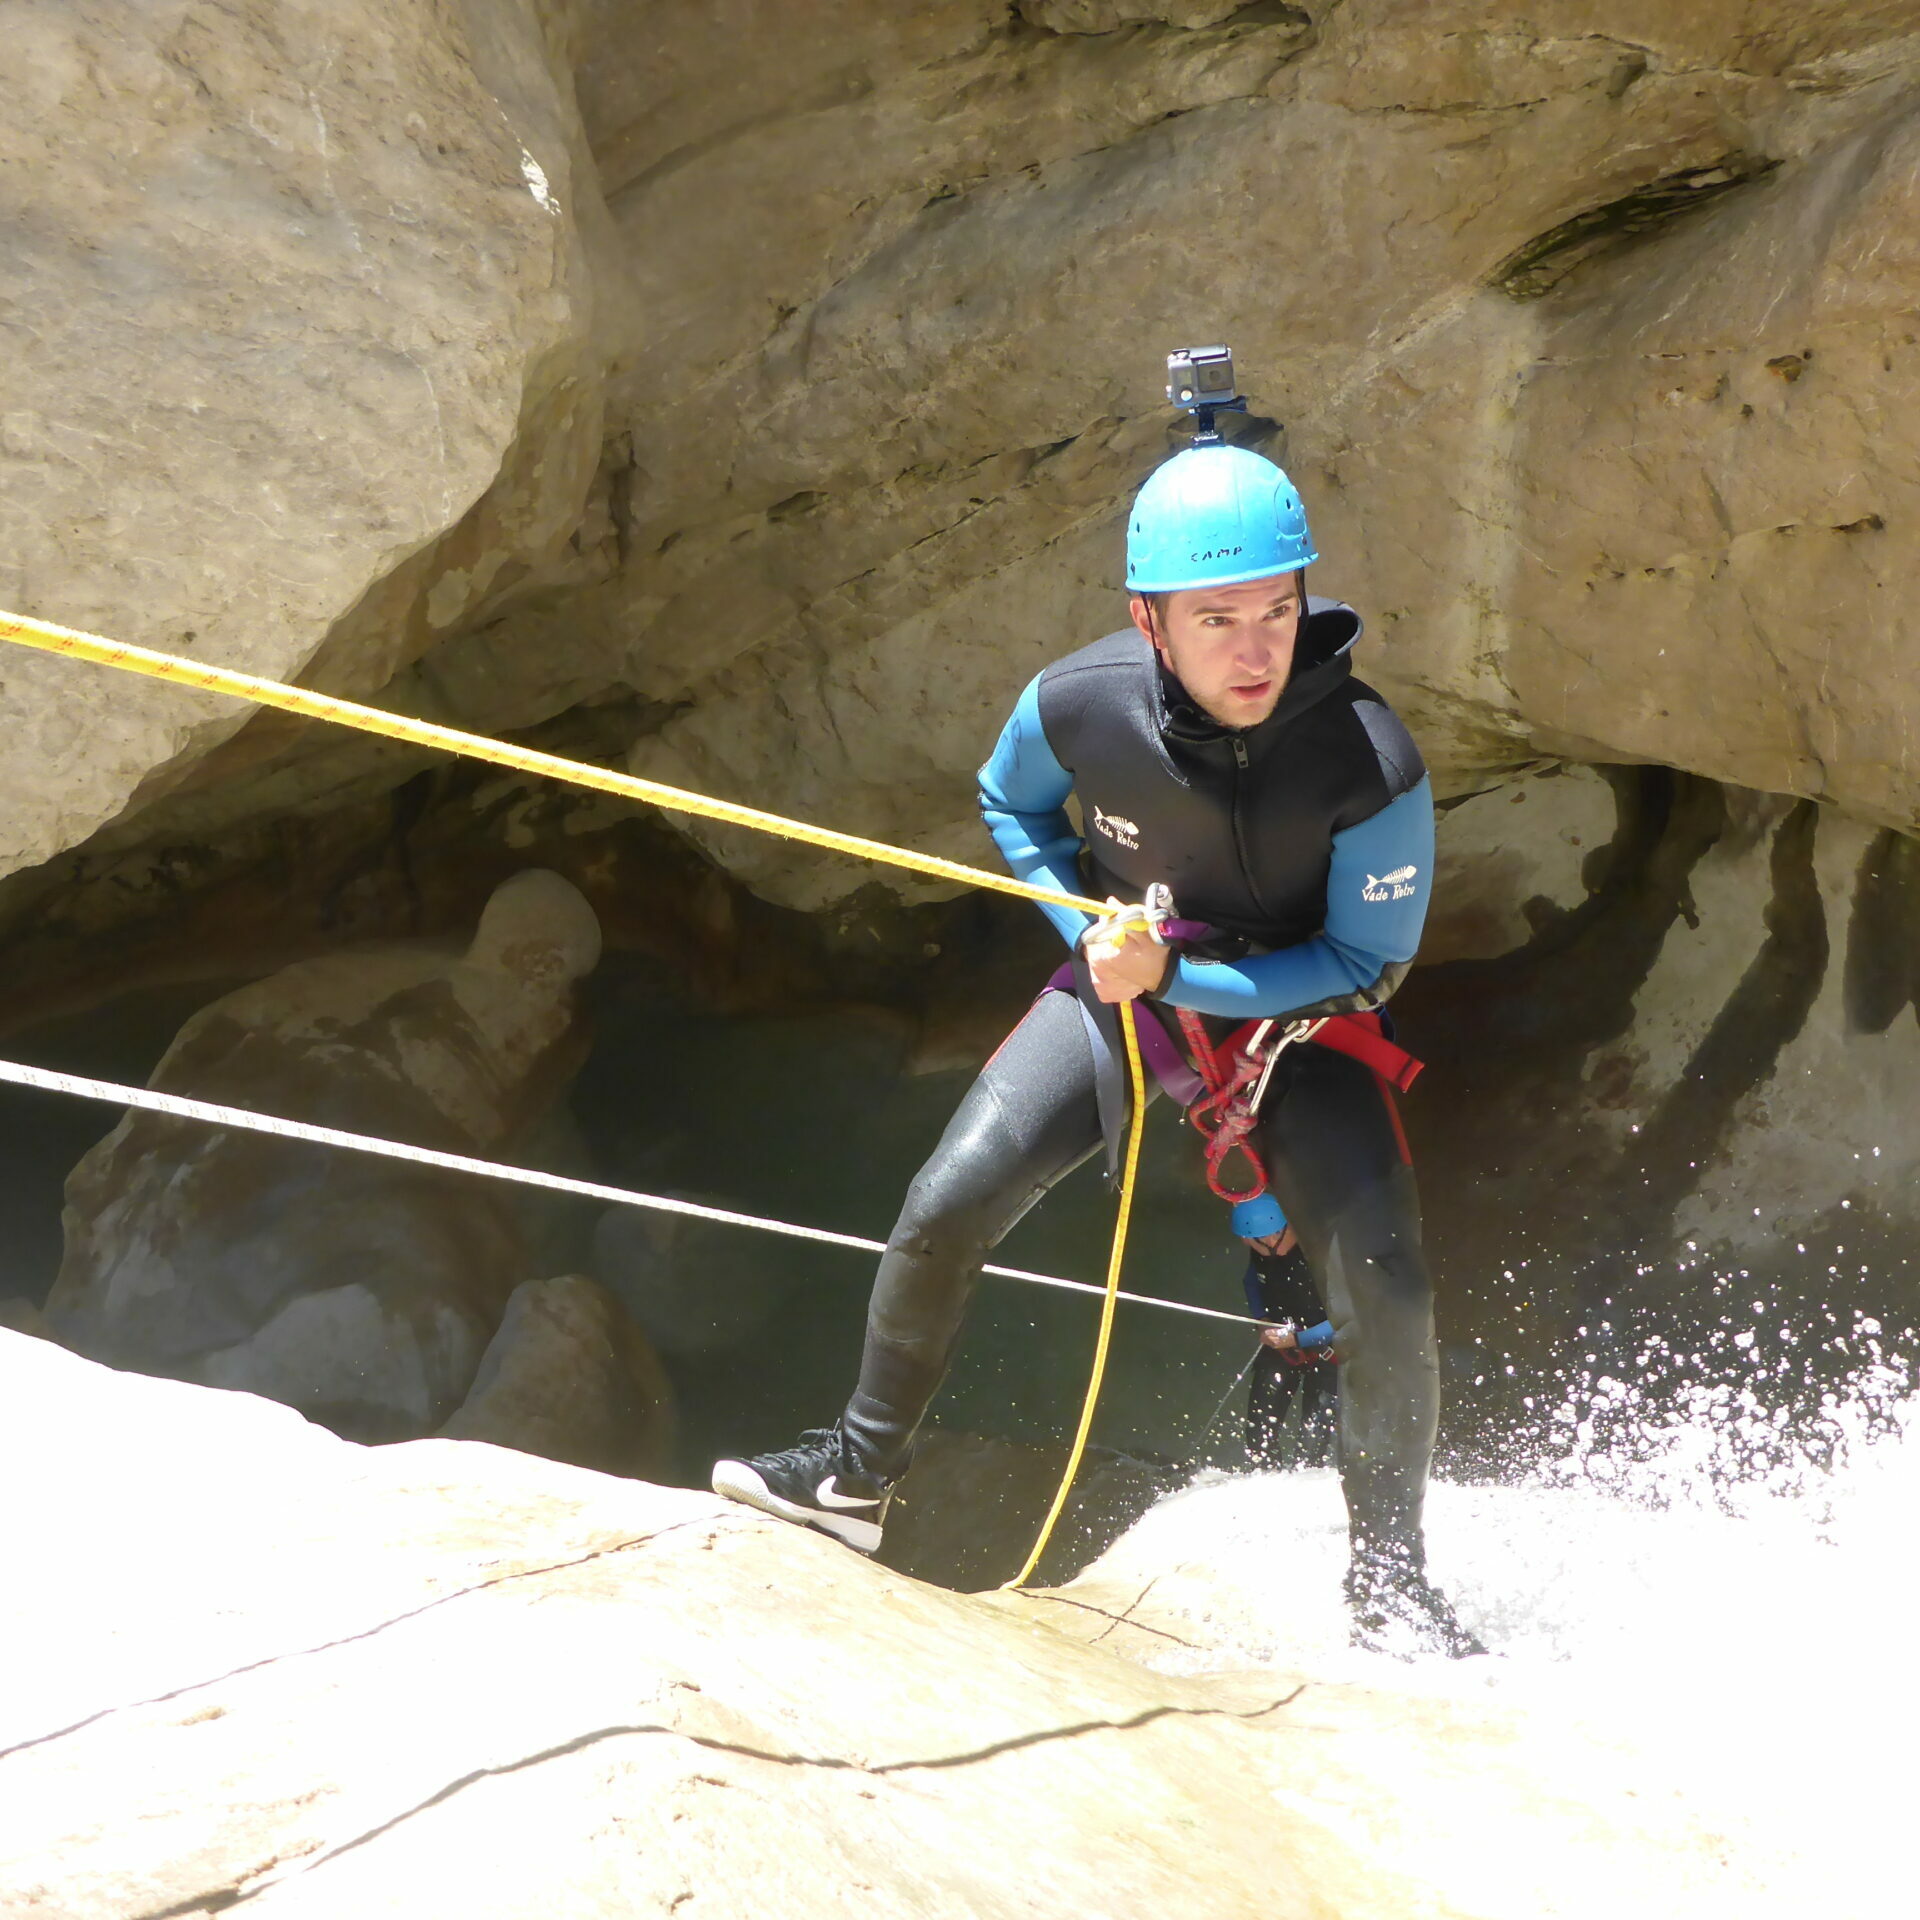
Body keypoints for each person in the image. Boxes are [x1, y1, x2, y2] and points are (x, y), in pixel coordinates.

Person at [713, 403, 1481, 1655]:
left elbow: (1363, 964)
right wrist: (1086, 928)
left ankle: (1391, 1588)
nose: (1255, 650)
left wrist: (1168, 979)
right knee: (947, 1199)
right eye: (1216, 619)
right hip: (1125, 983)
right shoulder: (1081, 706)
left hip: (1290, 1023)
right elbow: (1006, 801)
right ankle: (856, 1479)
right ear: (1148, 622)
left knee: (1388, 1285)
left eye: (1277, 611)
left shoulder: (1364, 762)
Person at [1228, 1193, 1338, 1471]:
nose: (1248, 1244)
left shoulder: (1323, 1256)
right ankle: (1266, 1483)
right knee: (1258, 1436)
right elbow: (1251, 1281)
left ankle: (1306, 1487)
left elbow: (1346, 1319)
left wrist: (1299, 1339)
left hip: (1328, 1352)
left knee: (1312, 1444)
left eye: (1254, 1240)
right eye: (1250, 1239)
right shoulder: (1262, 1249)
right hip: (1283, 1347)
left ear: (1281, 1231)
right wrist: (1262, 1320)